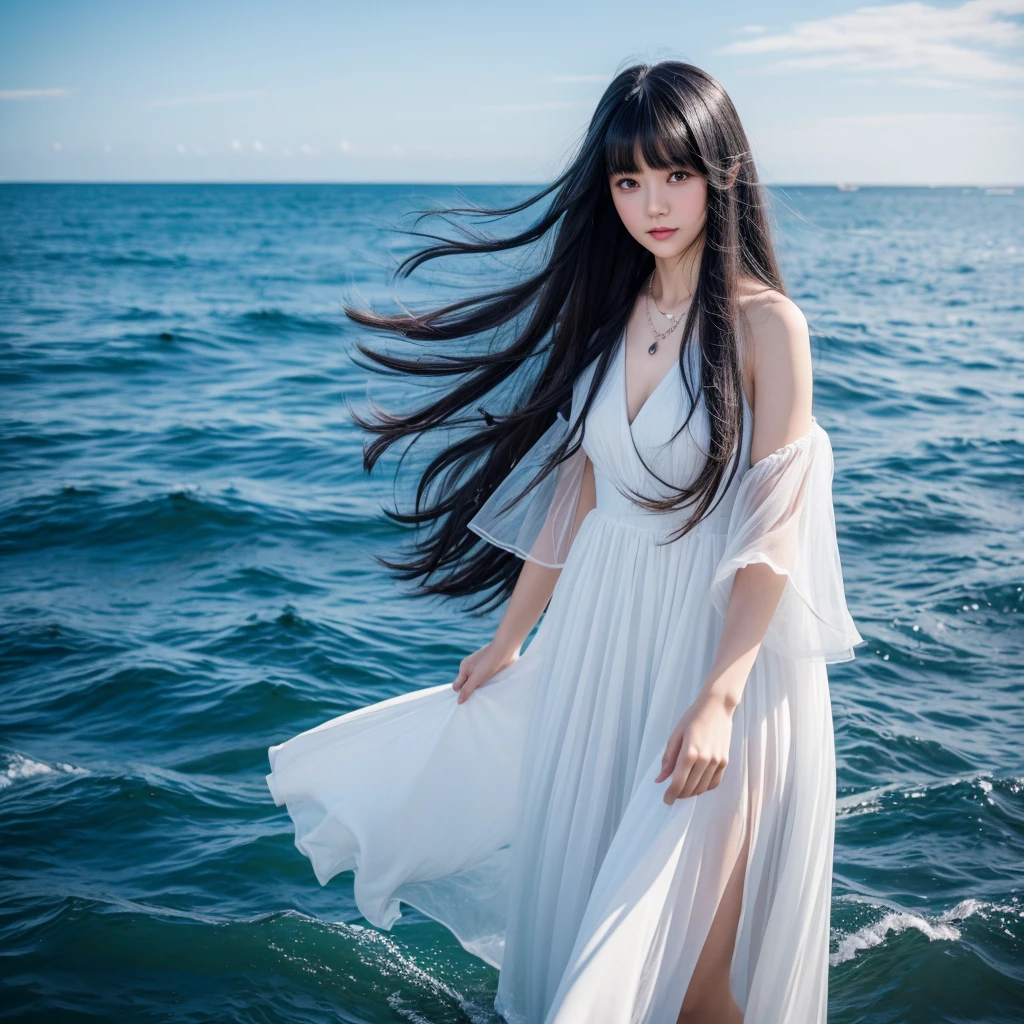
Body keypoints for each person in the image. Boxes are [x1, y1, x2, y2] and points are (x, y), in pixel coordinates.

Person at [265, 59, 865, 1024]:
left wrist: (719, 694)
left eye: (674, 175)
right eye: (628, 181)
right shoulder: (607, 318)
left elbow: (773, 528)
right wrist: (510, 640)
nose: (651, 204)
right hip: (600, 645)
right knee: (602, 929)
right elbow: (573, 500)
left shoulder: (767, 328)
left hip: (721, 663)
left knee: (688, 976)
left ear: (722, 173)